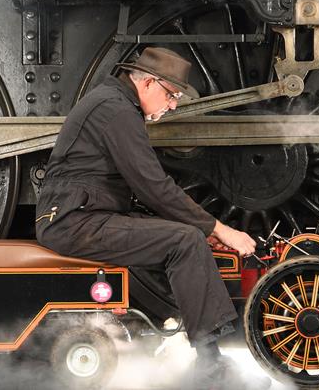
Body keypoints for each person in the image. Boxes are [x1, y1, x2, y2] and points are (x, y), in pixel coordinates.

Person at [35, 47, 269, 389]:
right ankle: (210, 371)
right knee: (185, 241)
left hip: (81, 216)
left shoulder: (113, 103)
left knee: (185, 237)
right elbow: (154, 186)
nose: (172, 105)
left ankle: (172, 335)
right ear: (149, 84)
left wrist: (200, 226)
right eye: (171, 95)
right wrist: (218, 228)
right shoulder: (116, 111)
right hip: (73, 222)